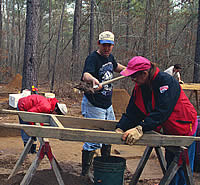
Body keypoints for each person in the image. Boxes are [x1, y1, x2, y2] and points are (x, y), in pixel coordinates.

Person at [115, 56, 197, 185]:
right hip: (166, 128)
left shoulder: (166, 81)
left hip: (184, 126)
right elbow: (133, 112)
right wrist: (120, 127)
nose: (132, 79)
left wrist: (141, 128)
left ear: (145, 73)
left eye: (134, 76)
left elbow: (162, 111)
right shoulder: (140, 86)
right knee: (171, 161)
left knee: (180, 166)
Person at [81, 31, 125, 177]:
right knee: (94, 140)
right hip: (94, 105)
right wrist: (93, 79)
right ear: (99, 43)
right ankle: (85, 174)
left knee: (108, 137)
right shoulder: (93, 58)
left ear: (113, 46)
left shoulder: (110, 57)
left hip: (107, 105)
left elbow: (116, 66)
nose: (107, 48)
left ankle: (103, 167)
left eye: (110, 45)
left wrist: (129, 70)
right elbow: (85, 74)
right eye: (104, 45)